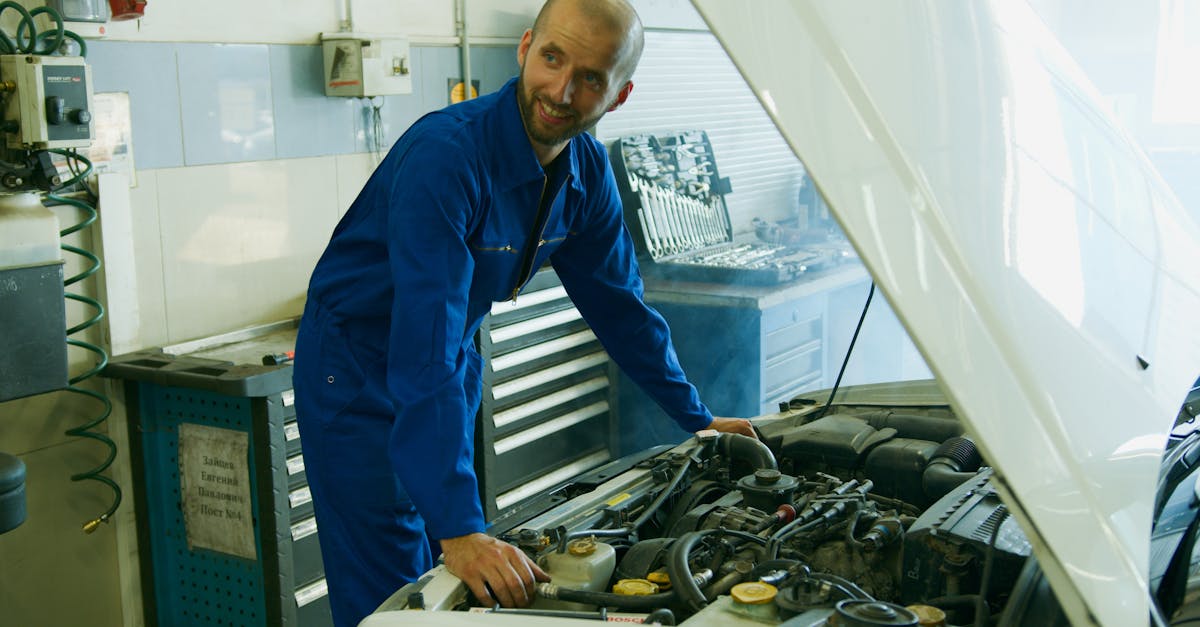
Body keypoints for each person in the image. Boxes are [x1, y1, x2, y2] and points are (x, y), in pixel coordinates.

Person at [292, 0, 756, 624]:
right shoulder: (447, 157)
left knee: (450, 579)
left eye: (592, 77)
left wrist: (695, 419)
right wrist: (460, 529)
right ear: (525, 48)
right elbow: (421, 343)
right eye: (553, 59)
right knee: (395, 591)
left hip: (446, 355)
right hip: (354, 367)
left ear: (619, 95)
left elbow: (621, 308)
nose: (562, 91)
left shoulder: (587, 170)